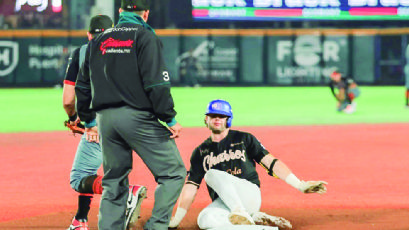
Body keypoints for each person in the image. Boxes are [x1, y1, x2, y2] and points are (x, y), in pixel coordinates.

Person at [75, 1, 187, 230]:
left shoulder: (98, 40)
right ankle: (155, 227)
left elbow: (83, 86)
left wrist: (88, 121)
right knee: (173, 173)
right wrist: (170, 119)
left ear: (120, 12)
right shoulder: (145, 36)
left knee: (113, 180)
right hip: (137, 118)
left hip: (105, 120)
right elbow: (157, 84)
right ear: (145, 13)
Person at [169, 99, 328, 230]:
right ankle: (260, 227)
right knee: (205, 220)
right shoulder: (200, 152)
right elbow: (191, 186)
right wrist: (176, 219)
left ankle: (242, 212)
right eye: (213, 115)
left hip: (249, 194)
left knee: (211, 174)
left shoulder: (244, 139)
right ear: (206, 119)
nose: (217, 118)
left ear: (228, 119)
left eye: (221, 116)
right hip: (225, 202)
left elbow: (271, 163)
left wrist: (300, 184)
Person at [63, 14, 147, 230]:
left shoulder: (82, 52)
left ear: (88, 34)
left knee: (80, 177)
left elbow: (68, 100)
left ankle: (127, 191)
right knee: (92, 169)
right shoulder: (131, 49)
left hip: (100, 122)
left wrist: (76, 119)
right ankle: (80, 219)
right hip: (132, 119)